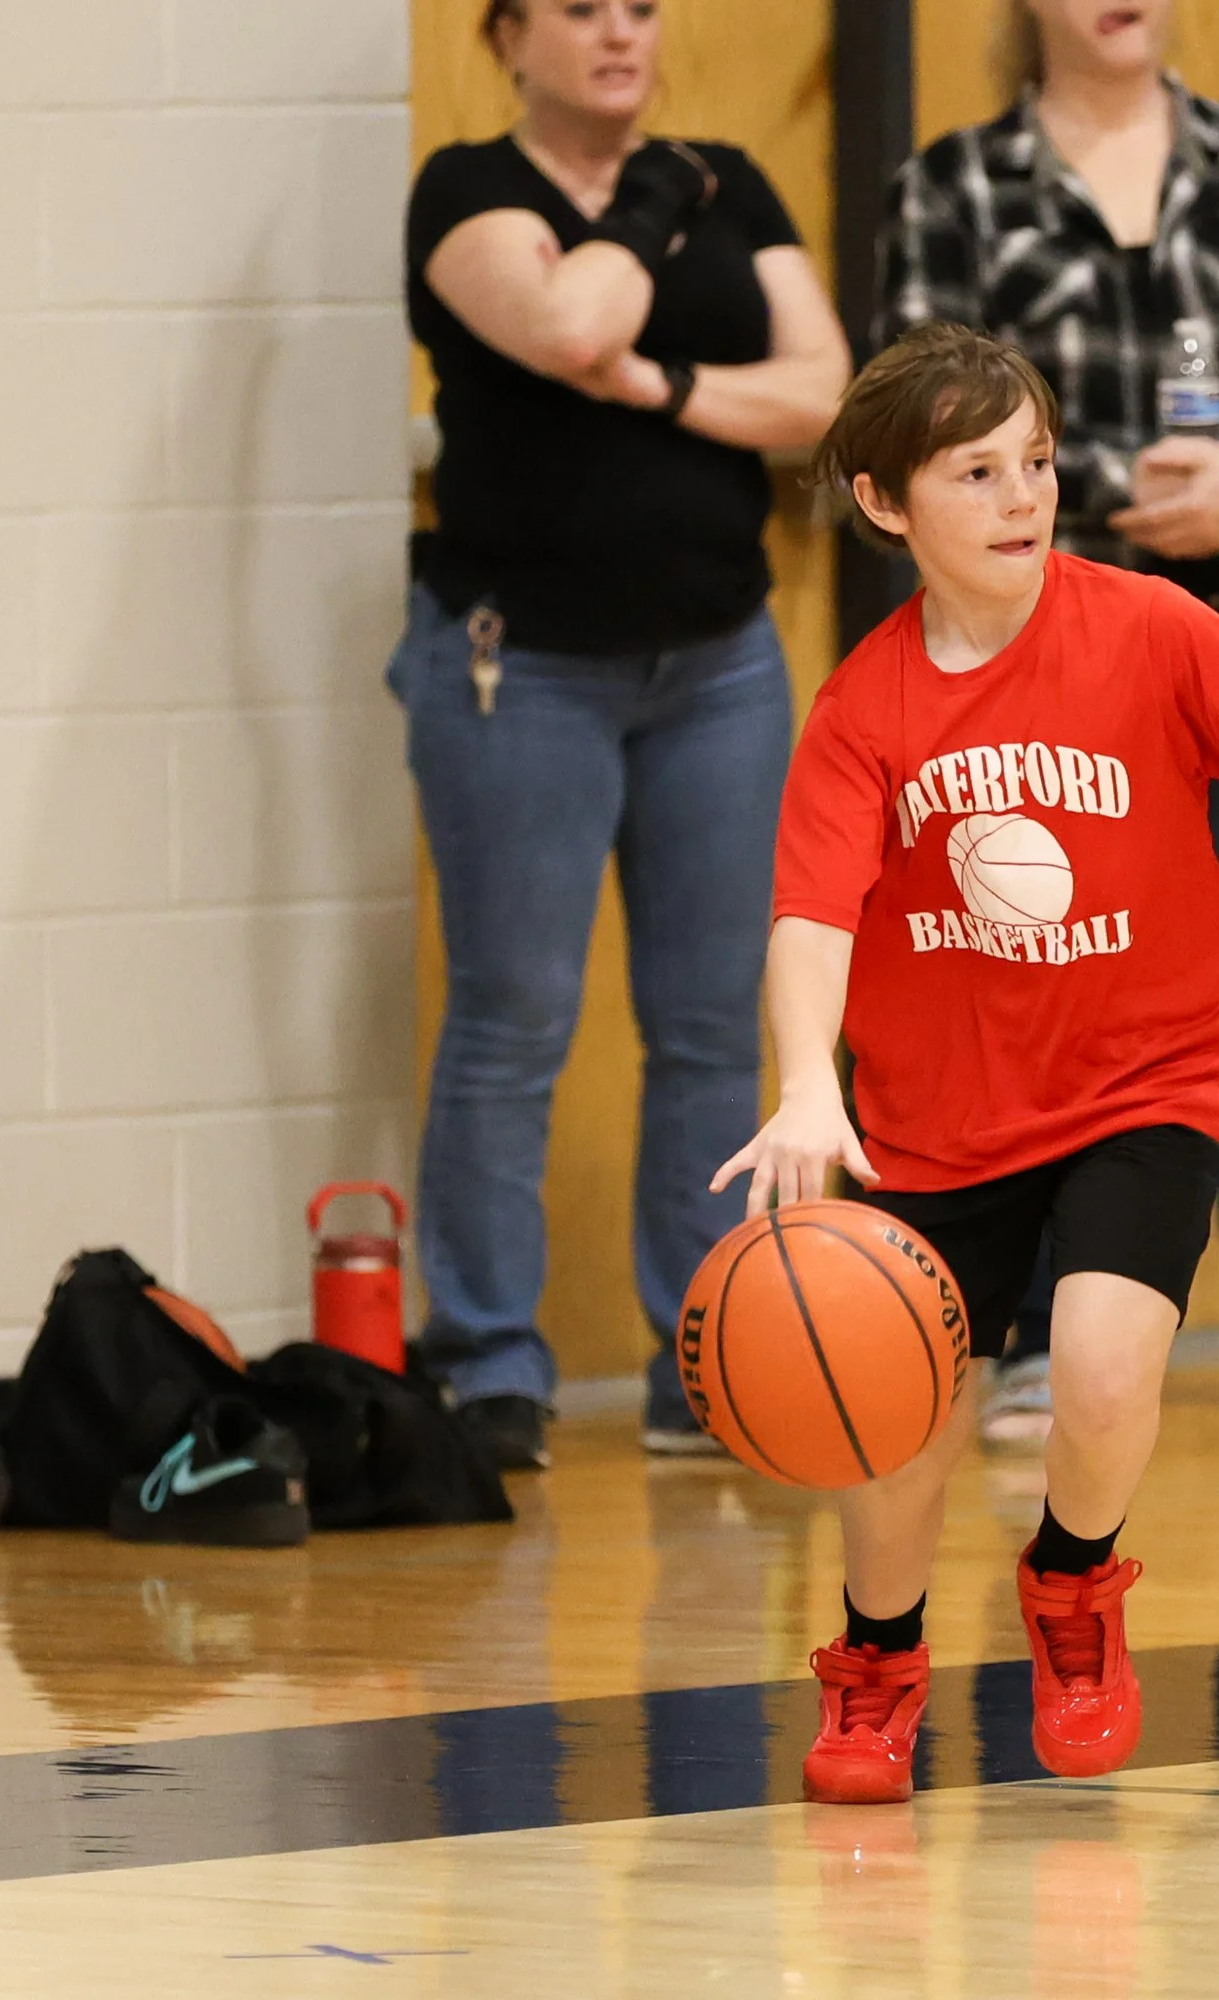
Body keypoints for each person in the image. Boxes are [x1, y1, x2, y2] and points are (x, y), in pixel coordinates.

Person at [709, 325, 1219, 1804]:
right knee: (900, 1431)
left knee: (1111, 1375)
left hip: (1150, 1077)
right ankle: (878, 1661)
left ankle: (1072, 1590)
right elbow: (810, 917)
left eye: (1040, 464)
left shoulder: (1152, 627)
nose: (1022, 497)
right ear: (884, 506)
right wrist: (810, 1082)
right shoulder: (864, 709)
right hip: (936, 1118)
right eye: (976, 472)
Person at [877, 0, 1219, 1451]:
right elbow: (928, 405)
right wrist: (1103, 484)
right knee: (1049, 984)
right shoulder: (956, 187)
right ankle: (1036, 1333)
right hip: (1037, 690)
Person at [393, 0, 852, 1468]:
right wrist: (652, 207)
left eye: (641, 9)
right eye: (579, 12)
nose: (619, 35)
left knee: (718, 1022)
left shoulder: (740, 175)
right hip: (516, 667)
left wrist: (655, 386)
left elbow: (826, 393)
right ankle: (489, 1363)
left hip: (716, 664)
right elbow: (566, 319)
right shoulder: (471, 190)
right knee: (513, 1016)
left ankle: (705, 1358)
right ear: (507, 38)